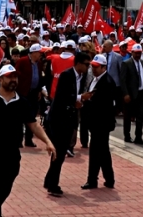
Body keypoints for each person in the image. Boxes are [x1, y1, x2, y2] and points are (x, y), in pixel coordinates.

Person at [0, 64, 57, 217]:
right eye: (9, 76)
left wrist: (48, 141)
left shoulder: (23, 103)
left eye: (15, 77)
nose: (13, 79)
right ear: (1, 79)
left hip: (12, 157)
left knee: (3, 190)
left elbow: (33, 125)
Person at [43, 52, 91, 196]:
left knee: (61, 152)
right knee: (59, 152)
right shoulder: (66, 75)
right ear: (78, 63)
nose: (88, 67)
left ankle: (49, 180)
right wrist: (79, 98)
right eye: (86, 64)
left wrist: (79, 101)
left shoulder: (81, 78)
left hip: (69, 118)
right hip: (58, 119)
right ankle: (53, 185)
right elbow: (62, 96)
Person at [81, 54, 118, 190]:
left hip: (101, 123)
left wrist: (86, 101)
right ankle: (108, 178)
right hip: (95, 122)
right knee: (102, 151)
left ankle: (93, 179)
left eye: (97, 67)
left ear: (104, 67)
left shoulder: (107, 82)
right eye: (93, 66)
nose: (94, 69)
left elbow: (103, 105)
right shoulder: (95, 80)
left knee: (97, 152)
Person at [15, 43, 47, 147]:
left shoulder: (39, 63)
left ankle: (29, 140)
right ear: (33, 53)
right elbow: (16, 74)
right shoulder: (22, 61)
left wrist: (39, 91)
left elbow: (40, 77)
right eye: (39, 53)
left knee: (31, 116)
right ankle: (18, 140)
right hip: (23, 92)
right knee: (19, 118)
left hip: (33, 92)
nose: (40, 55)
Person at [119, 43, 143, 144]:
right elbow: (122, 80)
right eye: (136, 53)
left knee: (140, 116)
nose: (138, 55)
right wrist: (125, 94)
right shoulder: (126, 63)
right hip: (130, 94)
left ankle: (138, 137)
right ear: (132, 52)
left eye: (139, 53)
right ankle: (127, 136)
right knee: (127, 117)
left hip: (141, 93)